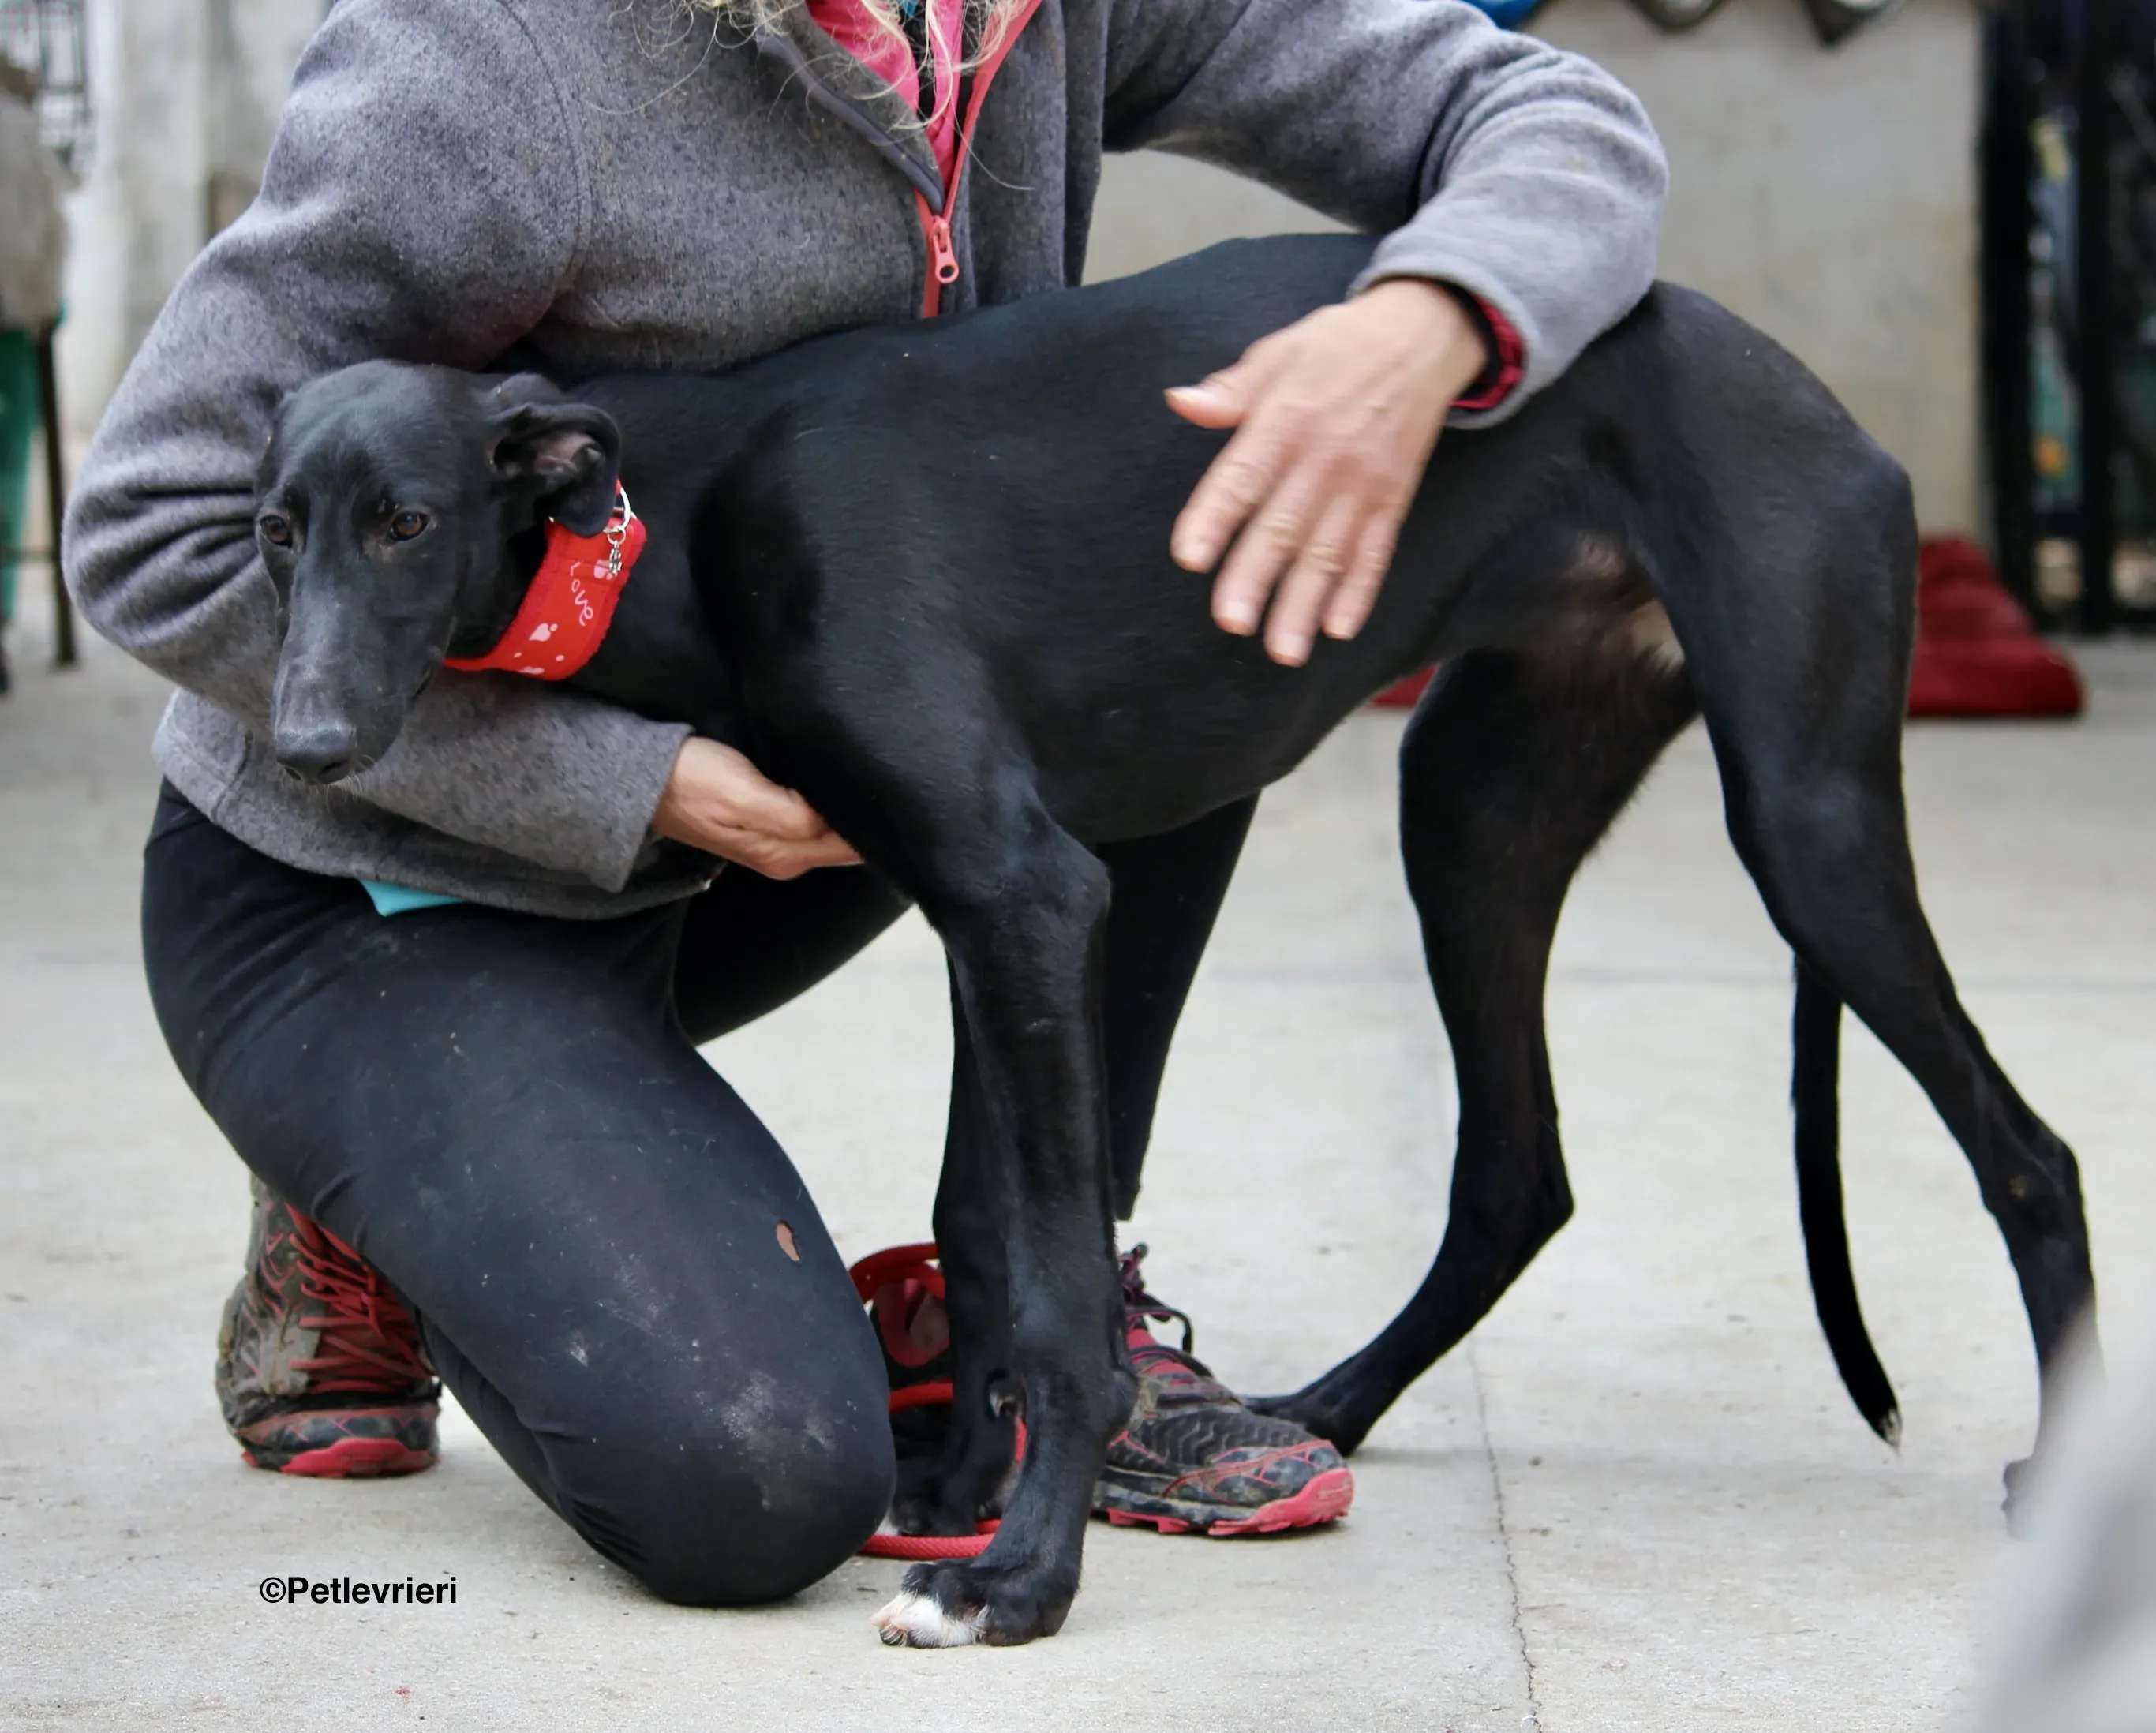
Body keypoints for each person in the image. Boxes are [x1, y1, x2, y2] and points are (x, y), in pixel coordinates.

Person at [63, 0, 1665, 1605]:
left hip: (758, 817)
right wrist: (633, 785)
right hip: (376, 894)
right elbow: (151, 526)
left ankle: (1025, 1313)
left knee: (1178, 606)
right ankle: (372, 1196)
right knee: (752, 1483)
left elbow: (1538, 107)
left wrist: (1438, 308)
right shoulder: (491, 58)